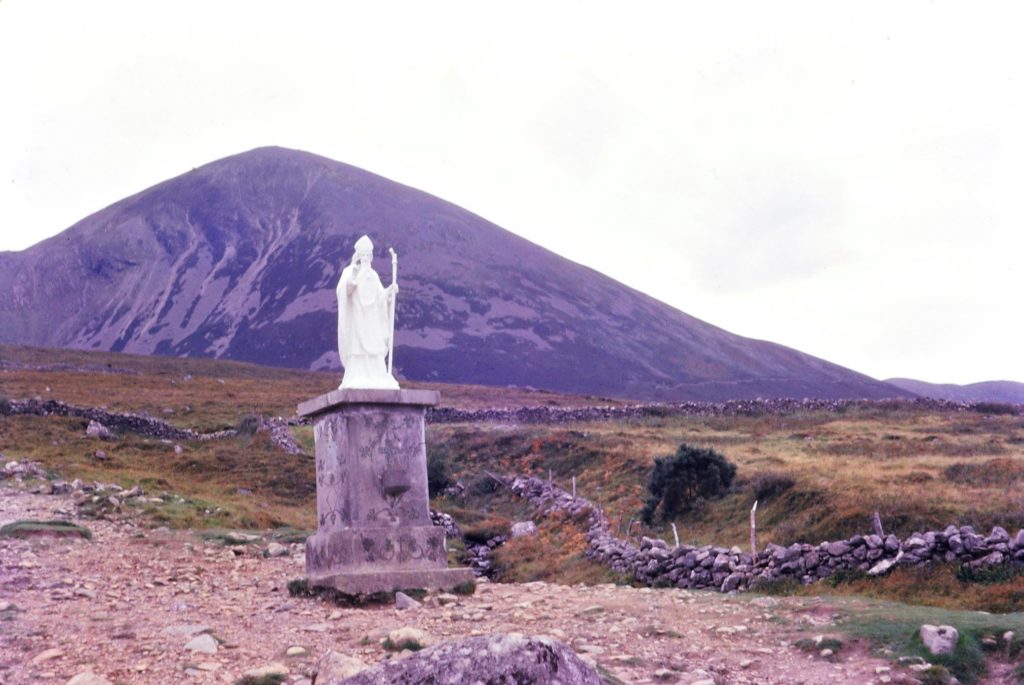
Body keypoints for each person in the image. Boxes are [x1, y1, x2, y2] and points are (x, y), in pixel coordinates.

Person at [336, 235, 399, 389]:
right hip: (357, 320)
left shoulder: (374, 276)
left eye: (367, 255)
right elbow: (344, 290)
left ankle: (377, 375)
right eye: (362, 255)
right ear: (358, 255)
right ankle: (358, 375)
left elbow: (380, 298)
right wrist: (353, 276)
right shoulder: (350, 271)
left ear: (371, 257)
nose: (365, 258)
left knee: (375, 347)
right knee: (358, 349)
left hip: (371, 321)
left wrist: (389, 293)